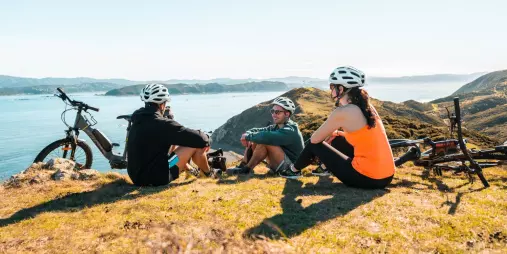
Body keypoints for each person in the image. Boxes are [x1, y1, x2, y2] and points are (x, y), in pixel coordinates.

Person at [279, 66, 395, 189]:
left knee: (314, 144)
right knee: (337, 138)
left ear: (341, 88)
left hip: (366, 178)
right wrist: (339, 133)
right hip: (387, 177)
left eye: (332, 87)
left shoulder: (343, 112)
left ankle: (293, 170)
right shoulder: (368, 107)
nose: (331, 90)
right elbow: (365, 137)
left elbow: (314, 140)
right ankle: (324, 168)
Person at [127, 83, 221, 186]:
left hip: (136, 177)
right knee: (195, 146)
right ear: (162, 104)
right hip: (156, 178)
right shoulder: (163, 124)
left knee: (173, 142)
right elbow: (200, 139)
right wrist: (208, 139)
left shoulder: (137, 119)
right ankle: (208, 173)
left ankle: (191, 171)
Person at [227, 97, 304, 175]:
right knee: (256, 139)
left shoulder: (290, 129)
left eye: (277, 112)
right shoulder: (276, 126)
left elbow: (265, 136)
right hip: (281, 162)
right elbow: (258, 130)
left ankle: (247, 170)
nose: (274, 114)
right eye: (272, 111)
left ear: (287, 114)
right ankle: (243, 166)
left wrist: (248, 137)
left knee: (264, 141)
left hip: (291, 169)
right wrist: (246, 134)